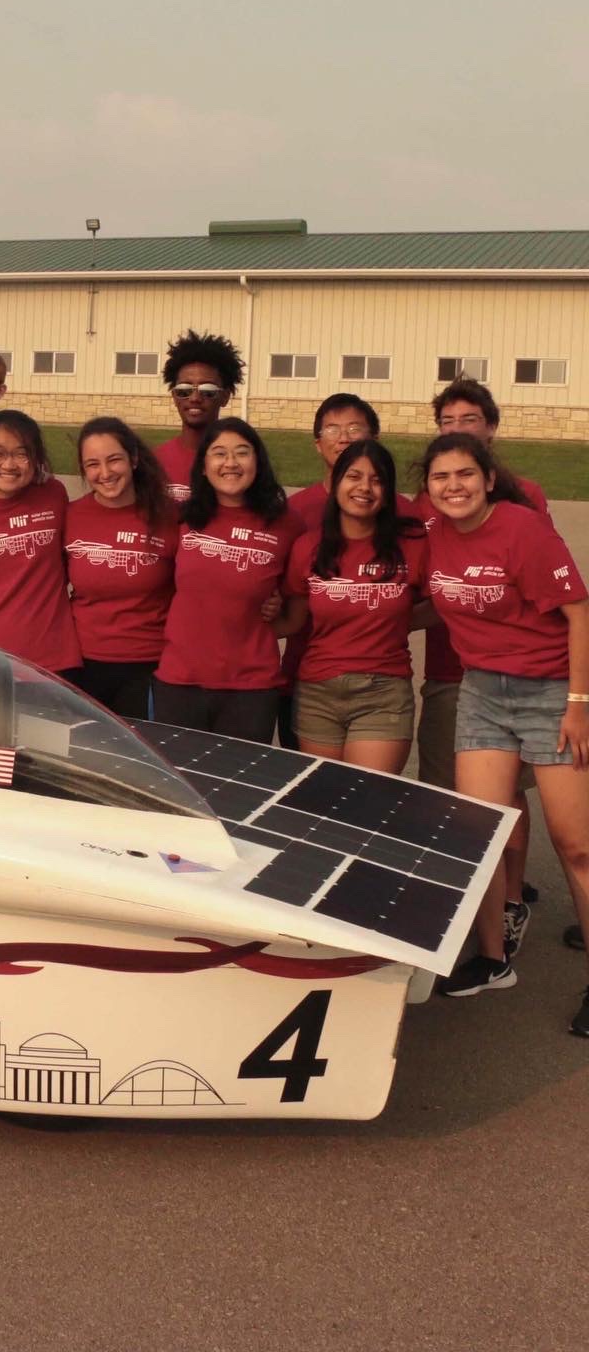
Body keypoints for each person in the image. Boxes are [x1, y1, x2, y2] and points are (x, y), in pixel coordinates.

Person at [419, 434, 589, 1029]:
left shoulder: (523, 530)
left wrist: (578, 705)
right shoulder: (436, 534)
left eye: (466, 474)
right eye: (441, 477)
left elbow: (579, 613)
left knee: (577, 846)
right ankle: (494, 959)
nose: (454, 486)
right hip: (483, 694)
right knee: (483, 836)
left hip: (550, 694)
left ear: (489, 478)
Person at [418, 378, 554, 952]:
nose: (457, 429)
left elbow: (556, 598)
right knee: (463, 806)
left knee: (513, 800)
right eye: (446, 421)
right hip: (456, 674)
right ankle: (480, 917)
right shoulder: (428, 511)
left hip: (529, 678)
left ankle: (512, 899)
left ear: (490, 429)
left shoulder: (524, 502)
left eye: (469, 419)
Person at [278, 440, 428, 773]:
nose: (364, 487)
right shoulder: (308, 548)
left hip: (382, 691)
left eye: (377, 480)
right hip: (317, 692)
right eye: (354, 476)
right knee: (325, 803)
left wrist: (397, 620)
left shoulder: (413, 546)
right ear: (336, 484)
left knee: (365, 801)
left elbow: (443, 603)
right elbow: (293, 621)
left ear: (388, 491)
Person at [153, 418, 304, 743]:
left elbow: (300, 596)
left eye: (242, 453)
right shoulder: (181, 517)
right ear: (204, 467)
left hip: (250, 687)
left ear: (258, 462)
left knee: (239, 788)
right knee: (183, 788)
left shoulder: (286, 524)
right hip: (180, 681)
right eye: (219, 453)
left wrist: (276, 599)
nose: (231, 463)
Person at [278, 394, 401, 749]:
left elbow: (430, 593)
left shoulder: (400, 517)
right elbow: (283, 594)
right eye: (332, 428)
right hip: (304, 677)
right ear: (318, 444)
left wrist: (381, 618)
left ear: (374, 438)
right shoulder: (295, 512)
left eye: (354, 428)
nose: (343, 436)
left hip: (379, 681)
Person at [64, 417, 177, 717]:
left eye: (114, 460)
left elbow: (196, 582)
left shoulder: (169, 517)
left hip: (150, 665)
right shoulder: (71, 515)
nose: (104, 473)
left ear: (134, 459)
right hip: (83, 664)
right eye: (92, 464)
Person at [0, 410, 80, 676]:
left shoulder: (53, 494)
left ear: (36, 459)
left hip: (56, 653)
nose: (9, 465)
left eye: (21, 454)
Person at [154, 330, 240, 503]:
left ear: (225, 396)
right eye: (184, 390)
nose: (194, 398)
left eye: (208, 391)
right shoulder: (152, 463)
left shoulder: (240, 465)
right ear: (174, 396)